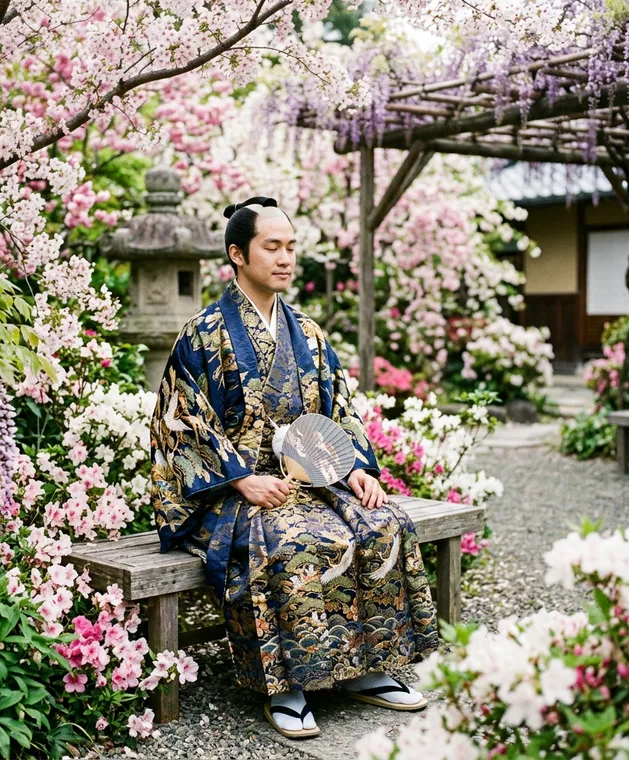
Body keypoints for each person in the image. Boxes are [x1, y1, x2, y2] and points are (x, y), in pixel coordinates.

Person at [148, 197, 438, 739]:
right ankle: (286, 683)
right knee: (289, 540)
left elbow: (338, 409)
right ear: (237, 254)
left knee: (382, 523)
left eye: (291, 247)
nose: (285, 258)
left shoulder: (307, 332)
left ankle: (367, 668)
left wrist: (354, 467)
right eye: (271, 247)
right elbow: (180, 419)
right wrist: (241, 478)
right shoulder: (203, 333)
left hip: (308, 475)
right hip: (232, 490)